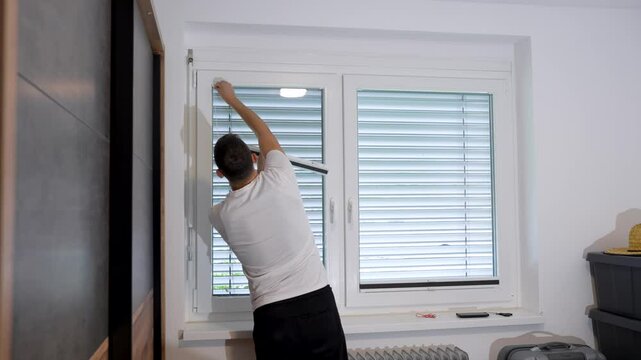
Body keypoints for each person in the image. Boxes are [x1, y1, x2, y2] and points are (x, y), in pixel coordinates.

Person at [209, 80, 347, 360]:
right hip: (317, 302)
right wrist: (231, 99)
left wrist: (259, 168)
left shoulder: (220, 215)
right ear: (253, 157)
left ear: (220, 174)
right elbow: (262, 129)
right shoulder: (281, 175)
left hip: (273, 316)